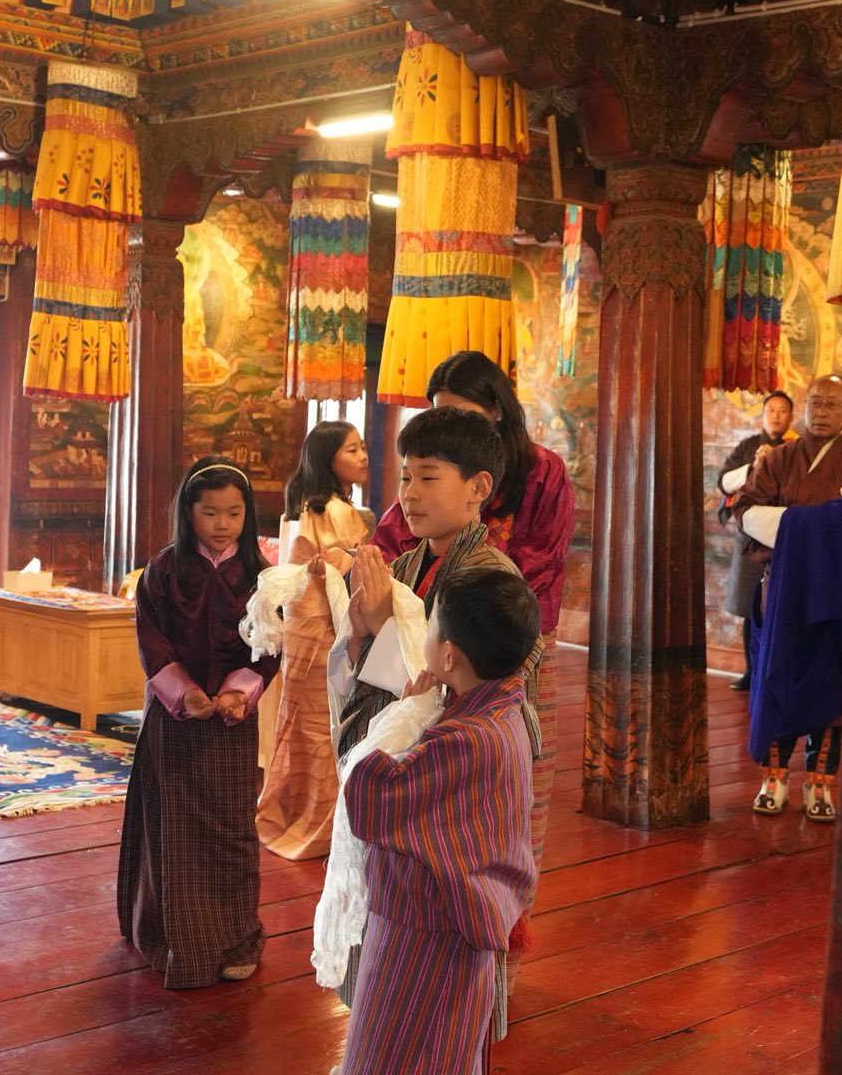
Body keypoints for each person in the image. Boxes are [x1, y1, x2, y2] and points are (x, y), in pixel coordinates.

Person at [309, 565, 541, 1075]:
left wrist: (409, 714)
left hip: (426, 935)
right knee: (453, 1074)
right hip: (466, 929)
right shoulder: (502, 710)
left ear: (448, 652)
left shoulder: (460, 739)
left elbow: (371, 794)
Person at [369, 351, 572, 877]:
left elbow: (537, 571)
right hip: (432, 654)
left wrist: (469, 612)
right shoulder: (424, 503)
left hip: (507, 649)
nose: (411, 492)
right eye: (440, 412)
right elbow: (390, 546)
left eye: (462, 413)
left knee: (494, 833)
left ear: (496, 411)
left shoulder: (543, 473)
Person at [116, 458, 280, 989]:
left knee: (231, 830)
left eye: (234, 512)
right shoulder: (163, 572)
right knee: (176, 830)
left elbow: (268, 646)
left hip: (232, 722)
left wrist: (238, 691)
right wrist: (184, 692)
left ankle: (237, 940)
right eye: (210, 512)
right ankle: (174, 940)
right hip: (175, 718)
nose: (222, 523)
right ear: (188, 512)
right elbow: (152, 642)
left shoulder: (261, 575)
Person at [731, 374, 842, 820]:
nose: (823, 412)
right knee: (777, 679)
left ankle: (820, 783)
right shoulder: (781, 458)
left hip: (840, 598)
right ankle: (774, 778)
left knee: (833, 684)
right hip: (783, 590)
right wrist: (807, 534)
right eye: (816, 403)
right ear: (804, 408)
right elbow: (746, 509)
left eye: (832, 405)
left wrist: (799, 525)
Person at [256, 421, 372, 860]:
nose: (362, 456)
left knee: (302, 725)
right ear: (328, 459)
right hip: (322, 625)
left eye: (362, 448)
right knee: (325, 726)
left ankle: (288, 811)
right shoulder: (333, 509)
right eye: (352, 450)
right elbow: (342, 570)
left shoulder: (306, 504)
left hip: (301, 626)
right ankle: (319, 823)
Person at [715, 390, 797, 691]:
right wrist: (752, 466)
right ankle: (751, 672)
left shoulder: (797, 447)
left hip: (785, 536)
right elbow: (723, 481)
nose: (776, 415)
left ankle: (776, 675)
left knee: (783, 607)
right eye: (771, 410)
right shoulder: (749, 446)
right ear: (763, 414)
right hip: (751, 537)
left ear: (791, 417)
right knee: (752, 607)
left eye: (782, 411)